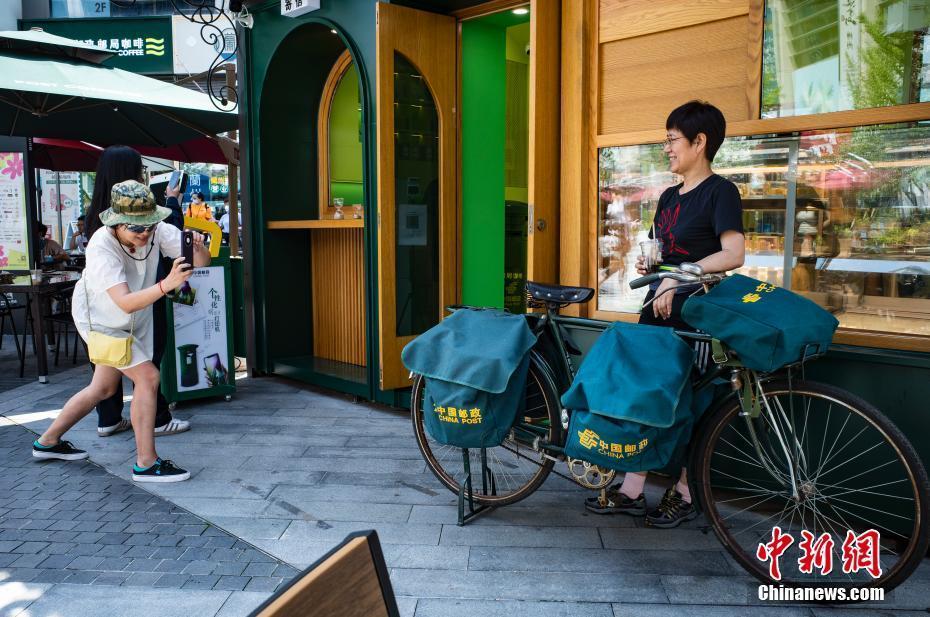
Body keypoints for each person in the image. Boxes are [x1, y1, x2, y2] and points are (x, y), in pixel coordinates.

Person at [585, 100, 745, 527]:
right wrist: (653, 267)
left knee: (693, 403)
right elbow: (661, 251)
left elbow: (734, 253)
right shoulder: (670, 196)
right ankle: (633, 488)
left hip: (694, 312)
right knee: (648, 395)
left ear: (700, 141)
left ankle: (686, 493)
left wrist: (679, 276)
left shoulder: (721, 192)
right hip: (657, 307)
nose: (667, 148)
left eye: (672, 140)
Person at [32, 180, 210, 482]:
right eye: (135, 228)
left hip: (133, 317)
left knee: (102, 389)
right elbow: (124, 302)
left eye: (149, 227)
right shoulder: (102, 245)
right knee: (149, 377)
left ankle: (47, 442)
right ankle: (145, 463)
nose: (144, 234)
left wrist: (196, 247)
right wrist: (167, 283)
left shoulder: (156, 229)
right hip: (101, 319)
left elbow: (201, 264)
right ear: (116, 223)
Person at [84, 146, 190, 437]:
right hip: (138, 296)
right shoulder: (133, 214)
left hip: (101, 307)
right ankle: (154, 425)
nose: (143, 232)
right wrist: (172, 202)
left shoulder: (96, 215)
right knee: (147, 365)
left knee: (106, 370)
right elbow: (169, 240)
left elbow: (171, 240)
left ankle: (107, 419)